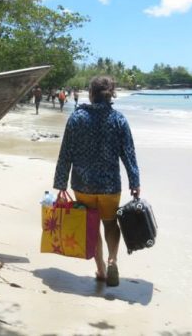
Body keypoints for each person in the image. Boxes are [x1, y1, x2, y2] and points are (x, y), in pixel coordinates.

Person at [53, 76, 140, 287]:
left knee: (92, 226)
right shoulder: (118, 119)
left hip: (83, 185)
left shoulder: (77, 118)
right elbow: (128, 154)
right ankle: (112, 260)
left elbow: (66, 153)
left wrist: (61, 183)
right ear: (111, 94)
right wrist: (134, 181)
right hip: (110, 185)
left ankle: (100, 269)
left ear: (91, 93)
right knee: (110, 222)